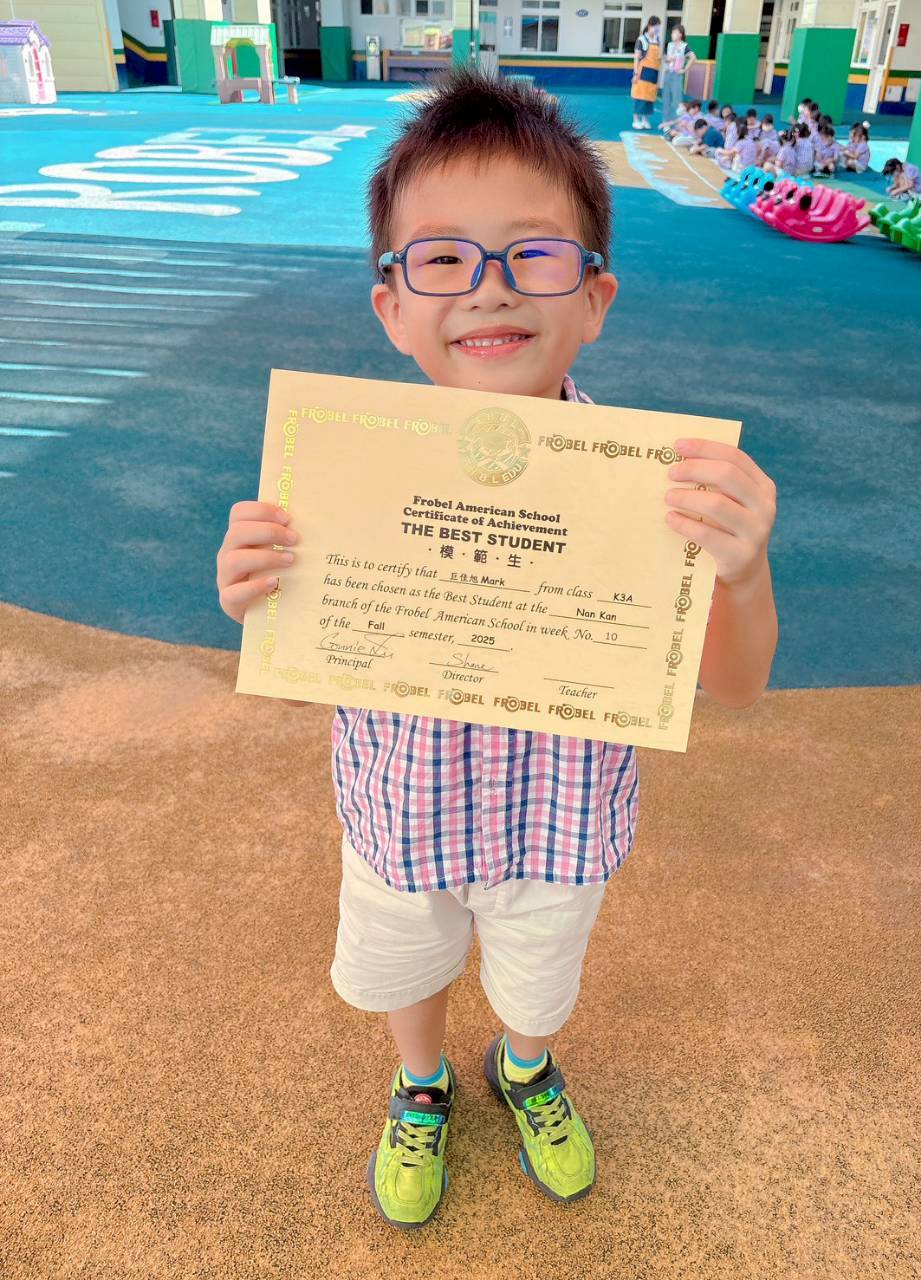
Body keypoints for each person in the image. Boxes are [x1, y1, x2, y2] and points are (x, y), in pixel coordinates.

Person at [214, 68, 780, 1231]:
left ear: (595, 298)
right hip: (399, 812)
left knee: (538, 978)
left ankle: (524, 1064)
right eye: (442, 257)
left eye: (533, 252)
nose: (489, 285)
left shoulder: (656, 495)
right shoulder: (341, 479)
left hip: (558, 831)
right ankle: (420, 1081)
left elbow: (734, 682)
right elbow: (312, 655)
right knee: (405, 968)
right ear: (391, 306)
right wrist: (261, 593)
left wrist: (743, 569)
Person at [660, 24, 696, 129]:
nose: (672, 34)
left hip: (677, 74)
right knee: (666, 98)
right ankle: (666, 122)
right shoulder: (670, 45)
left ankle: (677, 124)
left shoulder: (684, 46)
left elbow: (693, 57)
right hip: (668, 73)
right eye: (672, 32)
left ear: (680, 34)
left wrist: (684, 69)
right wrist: (667, 59)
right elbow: (667, 59)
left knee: (676, 100)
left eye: (674, 32)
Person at [631, 15, 662, 130]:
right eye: (656, 26)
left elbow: (658, 60)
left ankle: (645, 120)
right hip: (642, 72)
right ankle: (636, 120)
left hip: (653, 74)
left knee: (649, 98)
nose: (657, 29)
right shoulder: (641, 39)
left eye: (658, 27)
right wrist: (635, 74)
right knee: (640, 97)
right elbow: (636, 58)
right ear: (650, 26)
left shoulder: (657, 40)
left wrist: (659, 79)